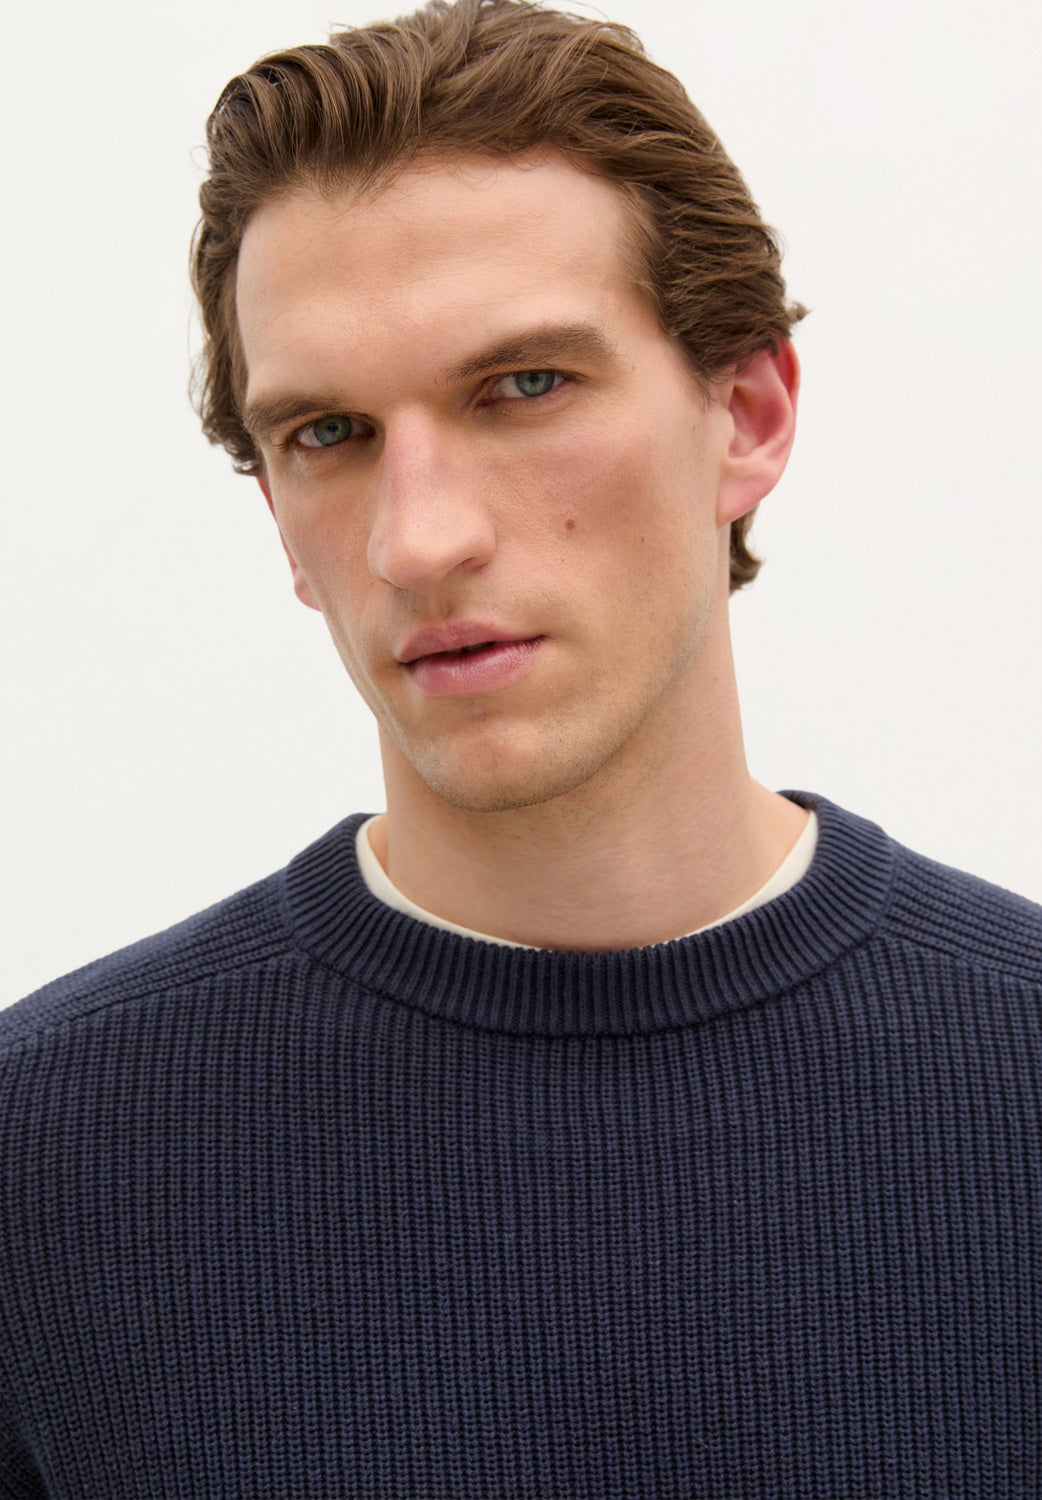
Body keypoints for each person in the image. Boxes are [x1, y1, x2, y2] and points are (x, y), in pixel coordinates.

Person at [1, 0, 1039, 1494]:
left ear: (747, 413)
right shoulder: (43, 1162)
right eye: (328, 433)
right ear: (278, 517)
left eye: (524, 387)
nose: (419, 539)